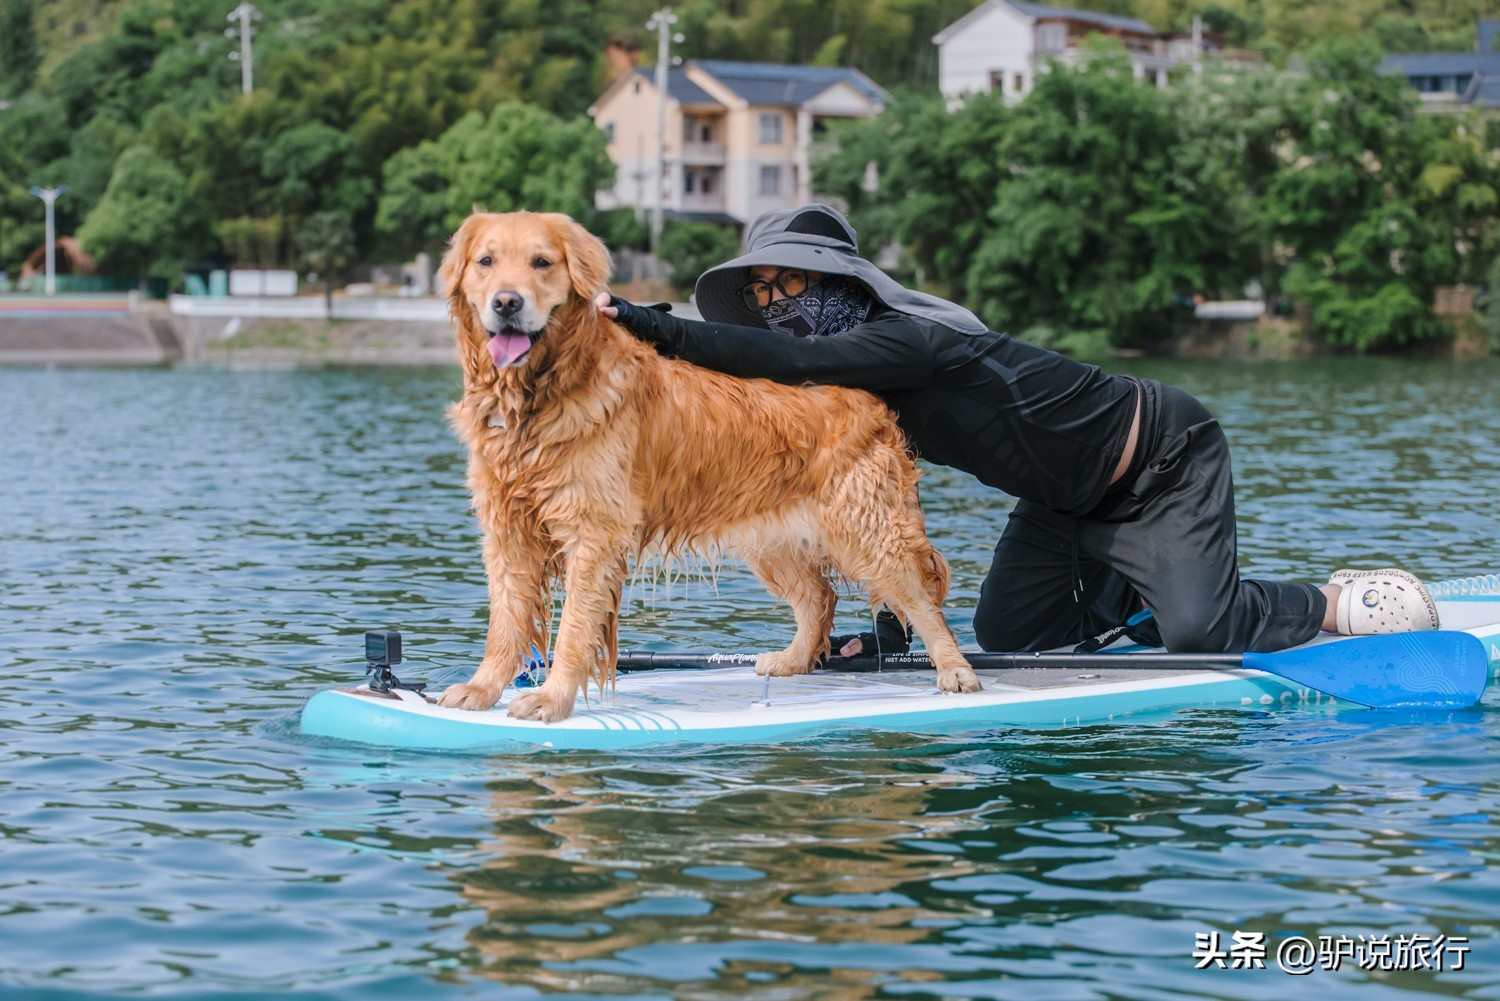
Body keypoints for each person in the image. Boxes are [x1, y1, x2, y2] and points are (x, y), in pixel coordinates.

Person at [595, 204, 1439, 658]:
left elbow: (770, 358)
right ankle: (1147, 599)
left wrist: (649, 323)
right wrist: (891, 635)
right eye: (766, 293)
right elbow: (888, 510)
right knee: (1011, 636)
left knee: (1202, 635)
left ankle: (1325, 601)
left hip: (1161, 457)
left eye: (793, 285)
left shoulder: (913, 340)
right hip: (1060, 503)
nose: (779, 305)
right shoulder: (850, 390)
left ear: (847, 283)